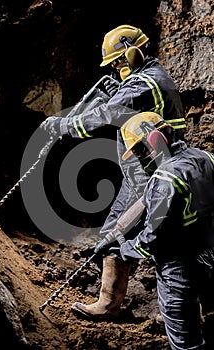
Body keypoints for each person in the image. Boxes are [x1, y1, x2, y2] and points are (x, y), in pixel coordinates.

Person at [40, 24, 186, 320]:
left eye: (118, 62)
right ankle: (179, 305)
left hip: (148, 176)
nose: (117, 68)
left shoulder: (143, 83)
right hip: (157, 172)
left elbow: (104, 116)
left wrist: (63, 125)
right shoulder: (155, 77)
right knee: (168, 236)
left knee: (116, 234)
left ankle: (110, 304)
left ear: (132, 54)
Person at [118, 111, 214, 350]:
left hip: (180, 267)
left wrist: (126, 248)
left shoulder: (165, 178)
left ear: (155, 140)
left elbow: (154, 237)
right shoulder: (206, 157)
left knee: (184, 337)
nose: (141, 159)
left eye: (140, 151)